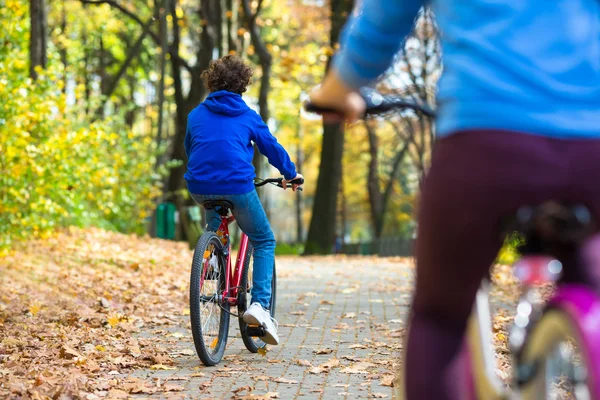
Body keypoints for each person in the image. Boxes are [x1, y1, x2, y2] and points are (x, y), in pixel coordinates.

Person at [309, 1, 600, 398]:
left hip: (485, 141)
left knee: (439, 317)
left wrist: (339, 89)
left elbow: (382, 19)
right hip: (592, 147)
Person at [185, 55, 303, 345]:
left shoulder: (195, 114)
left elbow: (192, 147)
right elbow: (271, 148)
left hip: (199, 185)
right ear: (243, 86)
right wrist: (290, 174)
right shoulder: (248, 116)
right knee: (264, 240)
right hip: (238, 185)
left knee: (217, 215)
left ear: (211, 82)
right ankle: (260, 307)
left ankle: (212, 254)